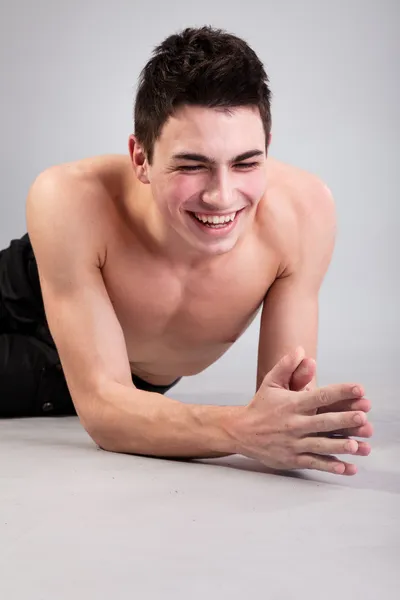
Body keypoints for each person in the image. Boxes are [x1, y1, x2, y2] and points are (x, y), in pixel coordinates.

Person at [0, 26, 372, 476]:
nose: (222, 195)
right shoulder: (70, 196)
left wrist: (298, 424)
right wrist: (239, 429)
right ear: (141, 159)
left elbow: (281, 410)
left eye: (246, 163)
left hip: (114, 379)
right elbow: (104, 412)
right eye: (192, 165)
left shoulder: (304, 214)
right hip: (27, 291)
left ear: (268, 151)